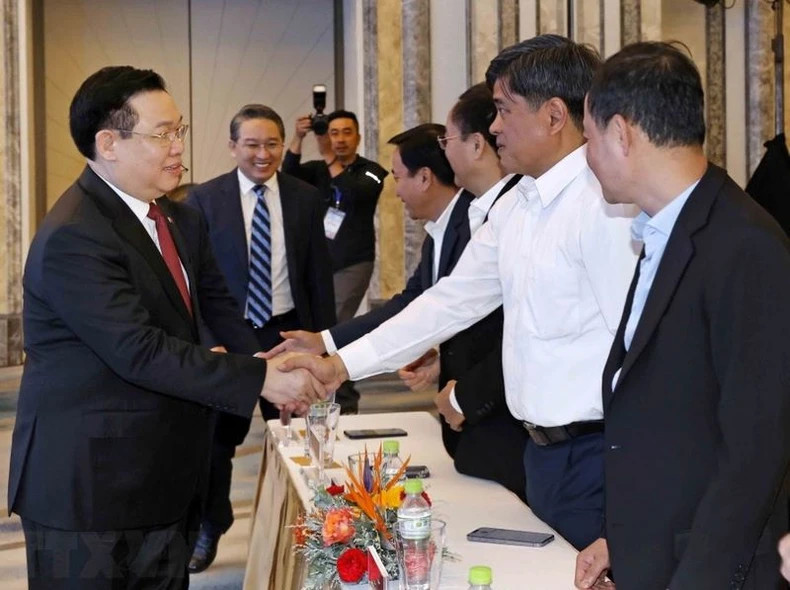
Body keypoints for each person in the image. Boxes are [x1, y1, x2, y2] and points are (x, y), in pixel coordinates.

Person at [276, 35, 640, 550]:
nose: (492, 128)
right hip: (540, 453)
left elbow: (638, 352)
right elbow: (448, 301)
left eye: (503, 110)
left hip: (598, 455)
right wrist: (340, 366)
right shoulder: (517, 206)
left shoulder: (605, 206)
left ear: (555, 116)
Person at [8, 66, 328, 589]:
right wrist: (259, 379)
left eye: (179, 130)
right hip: (90, 489)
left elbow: (218, 304)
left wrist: (268, 362)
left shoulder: (175, 217)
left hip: (162, 479)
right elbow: (139, 350)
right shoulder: (76, 235)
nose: (179, 147)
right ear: (108, 143)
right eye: (163, 135)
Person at [574, 42, 790, 590]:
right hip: (658, 554)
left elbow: (755, 451)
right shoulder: (666, 229)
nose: (587, 155)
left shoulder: (745, 245)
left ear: (621, 133)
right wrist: (620, 538)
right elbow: (663, 415)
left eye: (587, 138)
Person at [270, 85, 528, 499]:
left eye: (449, 140)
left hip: (509, 420)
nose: (395, 189)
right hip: (479, 416)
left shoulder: (505, 213)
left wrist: (465, 391)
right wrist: (334, 356)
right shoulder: (477, 218)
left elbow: (519, 328)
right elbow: (437, 306)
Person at [185, 104, 335, 572]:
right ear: (233, 147)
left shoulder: (306, 198)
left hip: (286, 333)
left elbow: (318, 278)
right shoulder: (203, 201)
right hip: (228, 341)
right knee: (213, 444)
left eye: (272, 143)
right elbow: (192, 282)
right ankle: (210, 525)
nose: (263, 153)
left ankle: (316, 532)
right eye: (251, 144)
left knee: (302, 437)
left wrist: (326, 343)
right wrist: (209, 339)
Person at [283, 109, 387, 323]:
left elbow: (352, 195)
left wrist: (328, 155)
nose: (339, 140)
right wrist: (298, 138)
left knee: (334, 323)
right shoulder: (318, 169)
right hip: (318, 261)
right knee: (311, 320)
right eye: (334, 133)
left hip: (352, 261)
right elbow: (288, 176)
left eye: (346, 133)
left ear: (357, 137)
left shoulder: (372, 171)